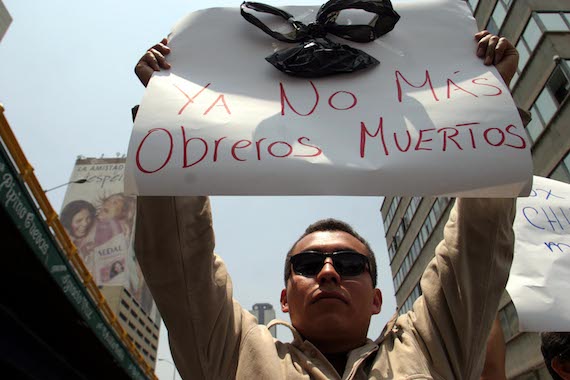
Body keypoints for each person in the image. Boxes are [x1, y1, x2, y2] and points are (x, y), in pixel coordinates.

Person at [134, 31, 523, 379]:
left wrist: (491, 101)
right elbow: (177, 259)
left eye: (350, 264)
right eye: (306, 265)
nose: (328, 272)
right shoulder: (234, 352)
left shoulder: (431, 346)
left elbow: (478, 244)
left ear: (376, 298)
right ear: (284, 297)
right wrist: (165, 113)